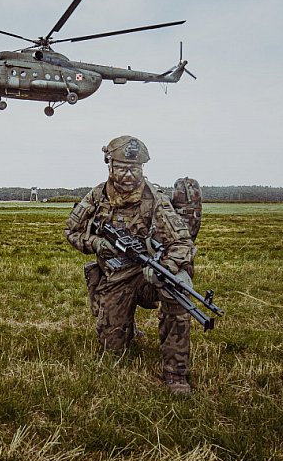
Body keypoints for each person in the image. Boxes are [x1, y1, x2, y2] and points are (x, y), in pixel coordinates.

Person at [65, 136, 197, 394]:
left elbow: (182, 241)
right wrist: (95, 243)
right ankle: (125, 325)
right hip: (115, 277)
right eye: (122, 167)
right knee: (112, 348)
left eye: (134, 168)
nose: (128, 175)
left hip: (148, 275)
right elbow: (71, 230)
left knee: (178, 291)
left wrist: (166, 266)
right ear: (110, 166)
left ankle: (176, 374)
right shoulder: (97, 195)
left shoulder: (154, 198)